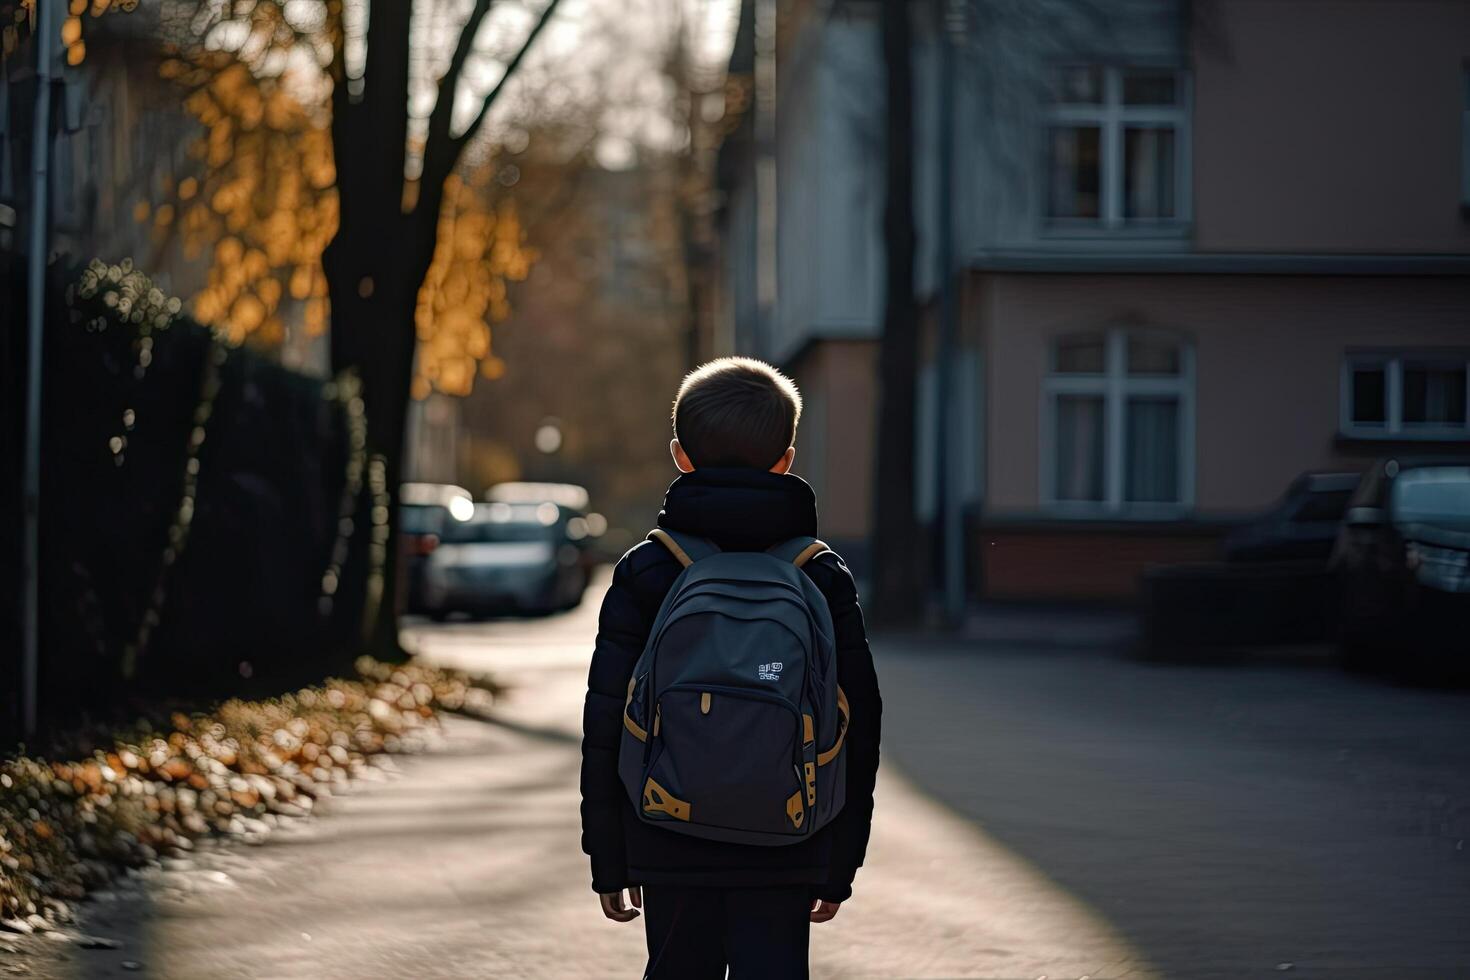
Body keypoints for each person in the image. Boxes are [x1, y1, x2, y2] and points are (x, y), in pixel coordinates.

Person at [580, 357, 883, 979]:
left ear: (679, 456)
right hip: (789, 840)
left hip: (668, 832)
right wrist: (840, 861)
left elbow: (607, 717)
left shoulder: (650, 570)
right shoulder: (819, 575)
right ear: (787, 458)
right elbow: (861, 721)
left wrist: (610, 858)